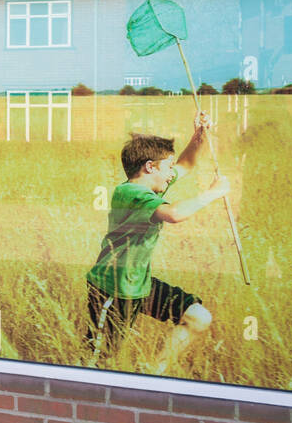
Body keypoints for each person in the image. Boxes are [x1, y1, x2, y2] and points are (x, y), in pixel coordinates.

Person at [86, 113, 227, 374]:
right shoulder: (130, 194)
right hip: (112, 290)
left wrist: (198, 136)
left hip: (139, 284)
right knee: (99, 365)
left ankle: (153, 373)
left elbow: (185, 164)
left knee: (197, 317)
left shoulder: (151, 187)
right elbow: (174, 214)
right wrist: (213, 193)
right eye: (167, 166)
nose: (172, 173)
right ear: (150, 167)